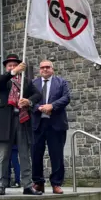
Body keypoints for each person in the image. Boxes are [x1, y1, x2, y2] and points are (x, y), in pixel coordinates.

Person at [0, 54, 42, 196]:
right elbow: (0, 82)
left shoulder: (26, 82)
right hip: (5, 121)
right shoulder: (3, 80)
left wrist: (28, 101)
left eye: (15, 65)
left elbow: (38, 95)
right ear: (6, 67)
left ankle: (27, 185)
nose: (12, 67)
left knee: (25, 155)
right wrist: (12, 73)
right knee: (3, 156)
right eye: (10, 65)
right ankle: (1, 185)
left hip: (22, 120)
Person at [32, 60, 70, 194]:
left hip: (56, 124)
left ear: (52, 69)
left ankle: (56, 183)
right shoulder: (33, 84)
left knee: (57, 155)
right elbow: (28, 101)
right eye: (42, 67)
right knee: (36, 154)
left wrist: (52, 106)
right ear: (39, 70)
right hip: (38, 124)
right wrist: (40, 108)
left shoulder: (61, 82)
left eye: (48, 67)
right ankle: (38, 182)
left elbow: (66, 98)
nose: (45, 69)